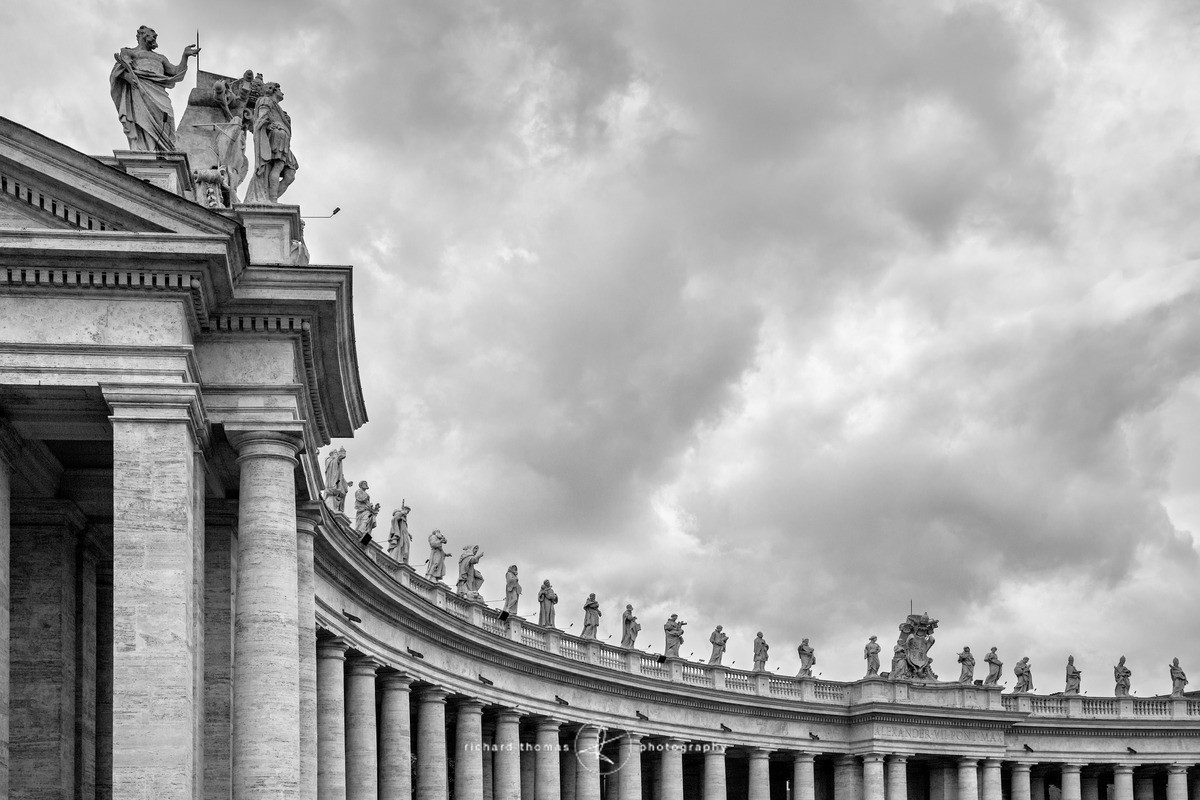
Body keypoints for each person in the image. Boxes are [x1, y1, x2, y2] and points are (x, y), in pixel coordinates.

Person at [110, 26, 200, 151]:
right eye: (152, 35)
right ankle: (144, 149)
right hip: (140, 89)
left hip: (159, 92)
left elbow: (176, 72)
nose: (155, 37)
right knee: (143, 121)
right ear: (142, 35)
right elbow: (116, 72)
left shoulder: (160, 58)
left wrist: (185, 56)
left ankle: (165, 150)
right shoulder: (130, 53)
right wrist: (128, 76)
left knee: (167, 117)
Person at [243, 82, 299, 203]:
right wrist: (269, 126)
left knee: (290, 174)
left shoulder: (277, 107)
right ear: (273, 90)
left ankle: (269, 197)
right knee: (277, 167)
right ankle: (272, 200)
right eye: (279, 89)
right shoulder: (266, 100)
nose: (282, 92)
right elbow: (262, 117)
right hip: (277, 136)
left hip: (283, 139)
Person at [322, 446, 349, 513]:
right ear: (332, 453)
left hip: (336, 479)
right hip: (332, 480)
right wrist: (342, 453)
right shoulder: (329, 460)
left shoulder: (334, 460)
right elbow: (338, 459)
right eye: (336, 453)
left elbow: (339, 459)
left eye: (337, 453)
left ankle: (337, 502)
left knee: (341, 492)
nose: (337, 454)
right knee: (333, 489)